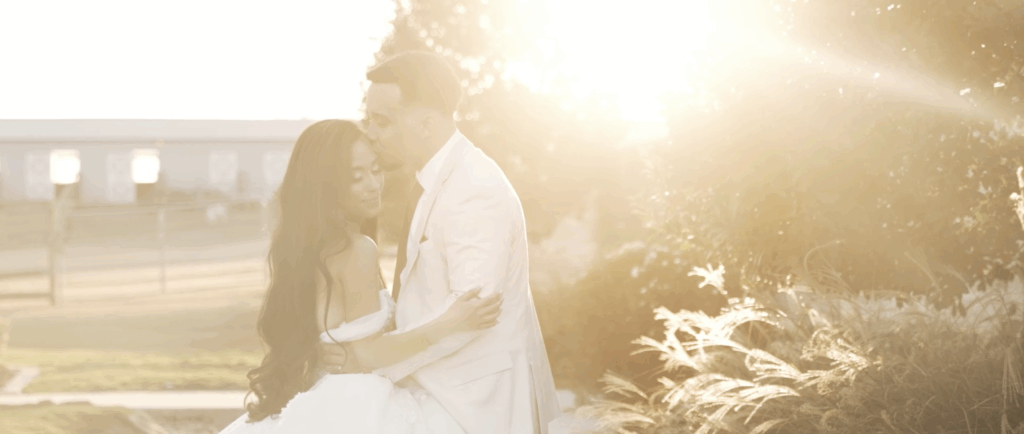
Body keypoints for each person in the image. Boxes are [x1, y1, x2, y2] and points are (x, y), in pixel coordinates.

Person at [318, 51, 562, 434]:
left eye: (382, 121)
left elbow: (472, 315)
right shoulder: (435, 181)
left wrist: (369, 360)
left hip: (470, 406)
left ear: (426, 123)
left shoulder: (474, 189)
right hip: (433, 392)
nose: (371, 133)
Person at [218, 119, 503, 434]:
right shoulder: (356, 250)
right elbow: (367, 353)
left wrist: (331, 351)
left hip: (329, 396)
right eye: (356, 177)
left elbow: (348, 345)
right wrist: (450, 323)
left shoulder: (311, 249)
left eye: (376, 170)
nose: (373, 184)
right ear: (325, 186)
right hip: (356, 403)